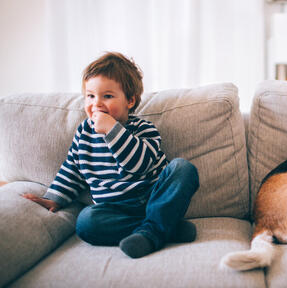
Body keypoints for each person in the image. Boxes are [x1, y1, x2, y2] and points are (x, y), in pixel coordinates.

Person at [23, 52, 199, 258]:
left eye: (107, 96)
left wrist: (112, 129)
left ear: (130, 101)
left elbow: (138, 165)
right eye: (90, 96)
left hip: (154, 197)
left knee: (183, 168)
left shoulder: (144, 129)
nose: (96, 103)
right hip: (115, 211)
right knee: (86, 222)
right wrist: (54, 198)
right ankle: (164, 228)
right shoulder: (84, 133)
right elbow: (72, 169)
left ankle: (152, 233)